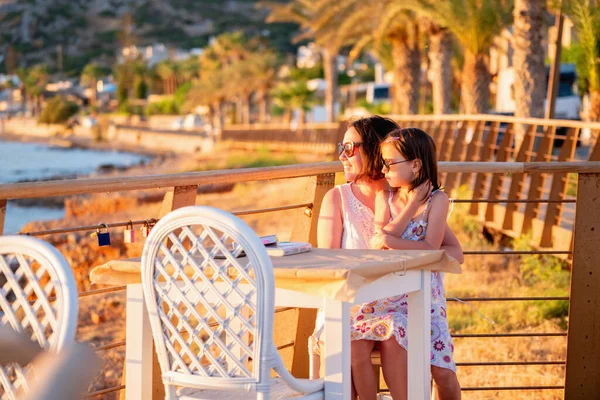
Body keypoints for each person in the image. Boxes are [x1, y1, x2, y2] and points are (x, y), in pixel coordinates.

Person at [317, 116, 463, 400]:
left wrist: (410, 247)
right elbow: (331, 267)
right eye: (341, 147)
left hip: (406, 302)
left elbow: (448, 249)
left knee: (408, 347)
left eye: (350, 148)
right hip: (353, 303)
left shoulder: (418, 198)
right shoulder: (342, 199)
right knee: (350, 351)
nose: (342, 155)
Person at [368, 127, 461, 400]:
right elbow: (377, 242)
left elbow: (430, 248)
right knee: (405, 360)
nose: (384, 170)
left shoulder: (438, 200)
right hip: (388, 297)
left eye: (389, 163)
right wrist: (410, 207)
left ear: (416, 164)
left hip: (426, 297)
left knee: (442, 371)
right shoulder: (384, 198)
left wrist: (390, 242)